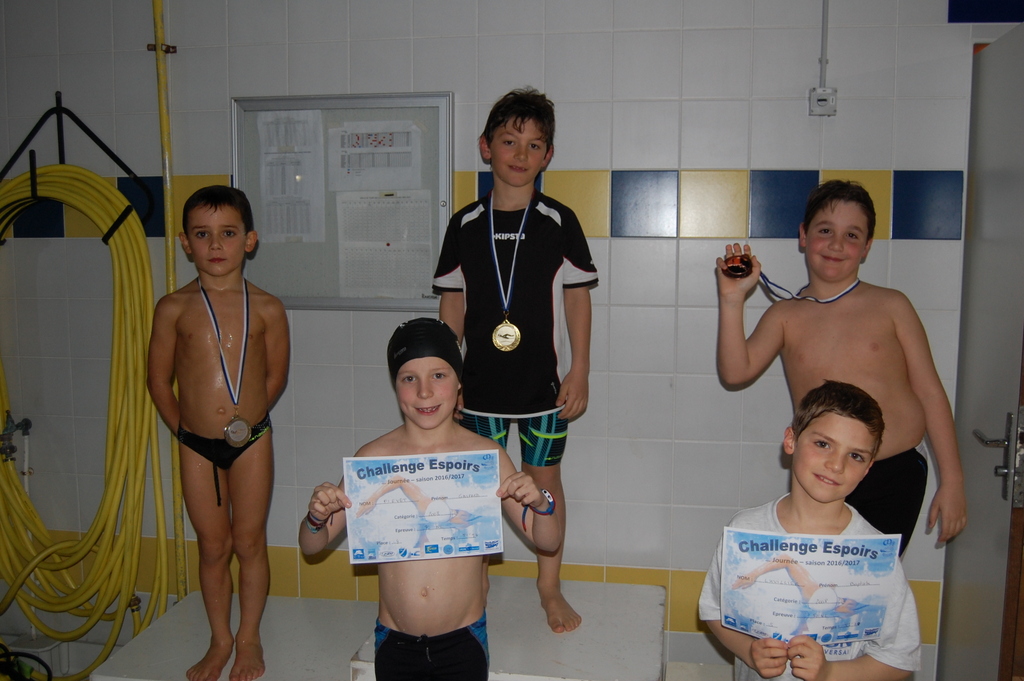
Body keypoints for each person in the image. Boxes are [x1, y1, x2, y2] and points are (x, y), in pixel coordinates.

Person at [300, 318, 561, 681]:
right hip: (394, 640)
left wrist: (541, 503)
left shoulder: (486, 457)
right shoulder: (372, 460)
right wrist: (316, 516)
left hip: (463, 640)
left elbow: (548, 541)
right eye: (409, 378)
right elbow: (312, 545)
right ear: (395, 385)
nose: (425, 392)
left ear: (459, 382)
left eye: (438, 375)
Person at [716, 179, 966, 554]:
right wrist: (732, 299)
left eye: (851, 235)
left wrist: (953, 481)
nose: (836, 244)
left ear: (866, 247)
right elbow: (736, 372)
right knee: (818, 574)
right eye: (825, 231)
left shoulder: (892, 305)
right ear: (804, 235)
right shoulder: (785, 315)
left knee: (869, 582)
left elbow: (930, 393)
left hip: (894, 473)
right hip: (821, 474)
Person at [433, 87, 598, 633]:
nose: (520, 154)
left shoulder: (558, 220)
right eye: (509, 141)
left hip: (542, 389)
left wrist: (580, 369)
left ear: (548, 155)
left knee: (543, 482)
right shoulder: (464, 224)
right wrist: (446, 378)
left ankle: (548, 585)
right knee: (478, 487)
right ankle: (475, 579)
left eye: (534, 144)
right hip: (476, 389)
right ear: (486, 147)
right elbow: (451, 306)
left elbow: (577, 298)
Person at [147, 185, 289, 681]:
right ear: (185, 243)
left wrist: (244, 424)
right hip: (195, 445)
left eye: (227, 233)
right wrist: (186, 432)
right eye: (202, 234)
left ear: (249, 240)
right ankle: (219, 638)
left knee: (249, 542)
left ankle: (248, 638)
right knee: (212, 546)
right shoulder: (173, 307)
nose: (215, 245)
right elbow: (158, 381)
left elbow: (275, 377)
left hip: (251, 441)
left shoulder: (268, 307)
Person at [700, 380, 920, 681]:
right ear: (791, 440)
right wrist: (749, 651)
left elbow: (899, 658)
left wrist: (831, 672)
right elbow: (714, 610)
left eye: (855, 455)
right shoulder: (746, 529)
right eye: (823, 444)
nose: (836, 465)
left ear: (868, 468)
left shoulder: (876, 555)